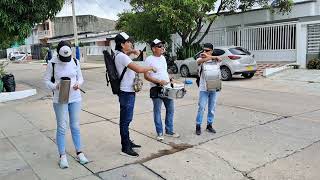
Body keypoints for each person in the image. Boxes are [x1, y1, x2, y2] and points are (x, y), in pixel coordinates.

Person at [44, 40, 88, 169]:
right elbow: (46, 80)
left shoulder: (75, 61)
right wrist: (55, 86)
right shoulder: (52, 63)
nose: (66, 59)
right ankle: (62, 156)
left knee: (75, 126)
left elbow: (80, 78)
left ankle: (80, 152)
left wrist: (78, 84)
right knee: (62, 127)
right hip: (60, 98)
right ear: (58, 53)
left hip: (75, 98)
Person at [114, 32, 156, 157]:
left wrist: (131, 51)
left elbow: (127, 58)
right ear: (122, 44)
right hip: (126, 92)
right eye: (128, 42)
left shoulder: (119, 54)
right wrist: (151, 68)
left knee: (126, 119)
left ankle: (127, 142)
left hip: (126, 91)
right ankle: (125, 148)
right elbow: (138, 69)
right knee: (125, 121)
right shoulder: (122, 57)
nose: (131, 44)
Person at [144, 39, 180, 141]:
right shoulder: (149, 60)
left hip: (167, 87)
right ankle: (159, 132)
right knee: (157, 111)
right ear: (153, 49)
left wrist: (170, 79)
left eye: (162, 46)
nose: (162, 48)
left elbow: (164, 72)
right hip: (156, 88)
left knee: (170, 109)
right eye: (159, 46)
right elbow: (146, 76)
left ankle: (169, 130)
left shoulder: (163, 58)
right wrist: (158, 81)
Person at [195, 43, 222, 135]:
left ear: (211, 51)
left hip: (214, 88)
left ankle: (209, 125)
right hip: (203, 88)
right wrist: (208, 56)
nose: (204, 52)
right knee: (201, 107)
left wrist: (213, 57)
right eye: (203, 50)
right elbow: (199, 61)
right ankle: (198, 126)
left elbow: (220, 59)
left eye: (207, 50)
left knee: (212, 108)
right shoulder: (201, 59)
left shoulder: (216, 59)